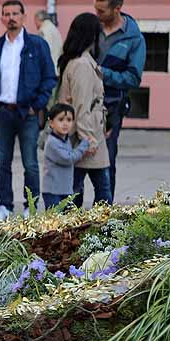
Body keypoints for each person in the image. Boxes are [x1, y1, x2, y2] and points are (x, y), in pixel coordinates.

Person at [0, 0, 57, 220]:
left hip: (28, 112)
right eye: (7, 14)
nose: (11, 17)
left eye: (15, 13)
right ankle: (5, 205)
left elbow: (49, 77)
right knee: (3, 162)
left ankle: (29, 207)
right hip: (3, 112)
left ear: (24, 16)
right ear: (2, 18)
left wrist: (38, 105)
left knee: (30, 163)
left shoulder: (36, 45)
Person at [94, 0, 146, 189]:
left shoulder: (134, 38)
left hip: (112, 106)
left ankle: (105, 210)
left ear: (117, 8)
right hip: (83, 102)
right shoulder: (92, 28)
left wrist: (103, 74)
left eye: (102, 11)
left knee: (107, 159)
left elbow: (133, 78)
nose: (97, 14)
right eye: (95, 9)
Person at [59, 12, 112, 206]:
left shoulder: (81, 61)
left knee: (77, 188)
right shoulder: (82, 64)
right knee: (100, 190)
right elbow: (81, 105)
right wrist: (87, 139)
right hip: (86, 133)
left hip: (88, 130)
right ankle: (99, 229)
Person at [42, 103, 93, 210]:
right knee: (55, 222)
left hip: (66, 190)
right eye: (61, 120)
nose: (65, 124)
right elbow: (68, 158)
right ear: (51, 123)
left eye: (69, 120)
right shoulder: (52, 143)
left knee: (67, 221)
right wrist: (84, 144)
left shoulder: (65, 139)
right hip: (53, 192)